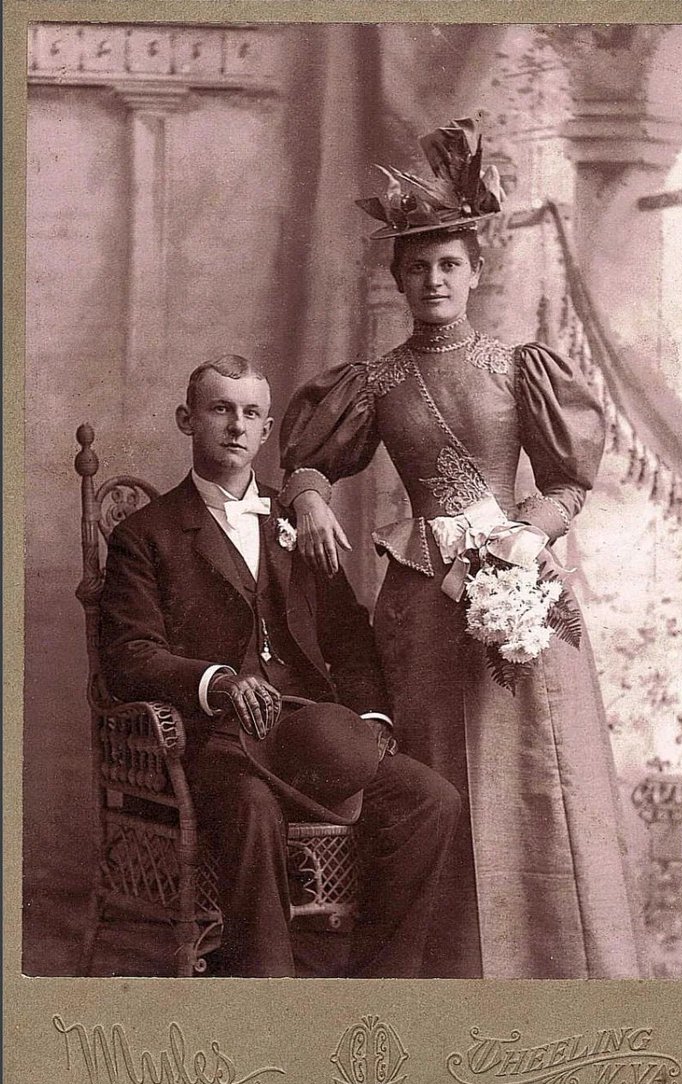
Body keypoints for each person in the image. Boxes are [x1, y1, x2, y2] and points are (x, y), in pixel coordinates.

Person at [279, 117, 647, 979]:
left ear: (476, 271)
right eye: (417, 268)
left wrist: (529, 534)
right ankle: (445, 972)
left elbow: (568, 483)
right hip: (422, 605)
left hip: (518, 592)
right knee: (440, 777)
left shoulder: (519, 367)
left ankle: (555, 964)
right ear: (399, 279)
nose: (434, 280)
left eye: (448, 264)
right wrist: (311, 497)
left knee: (536, 771)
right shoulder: (374, 382)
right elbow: (307, 460)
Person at [98, 354, 460, 978]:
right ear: (187, 420)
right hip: (217, 741)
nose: (236, 426)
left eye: (251, 414)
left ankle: (381, 986)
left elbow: (349, 638)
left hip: (312, 738)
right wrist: (217, 682)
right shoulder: (145, 535)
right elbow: (130, 655)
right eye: (220, 409)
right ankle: (268, 993)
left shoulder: (299, 521)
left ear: (267, 431)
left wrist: (371, 720)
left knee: (432, 800)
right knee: (253, 807)